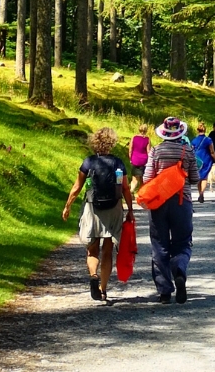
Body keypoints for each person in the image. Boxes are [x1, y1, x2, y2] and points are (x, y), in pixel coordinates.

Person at [62, 127, 134, 303]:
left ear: (95, 142)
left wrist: (67, 206)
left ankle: (93, 275)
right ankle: (103, 289)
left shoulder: (88, 162)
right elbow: (125, 188)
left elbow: (77, 187)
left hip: (93, 208)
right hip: (113, 209)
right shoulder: (118, 163)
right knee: (107, 251)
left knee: (92, 250)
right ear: (112, 143)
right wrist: (130, 210)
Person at [143, 117, 199, 304]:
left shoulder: (156, 151)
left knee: (159, 245)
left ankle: (164, 291)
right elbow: (195, 178)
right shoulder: (188, 150)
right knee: (182, 242)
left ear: (164, 133)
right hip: (182, 202)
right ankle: (180, 271)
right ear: (180, 132)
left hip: (159, 202)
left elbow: (147, 178)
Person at [190, 123, 215, 203]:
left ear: (197, 130)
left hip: (197, 160)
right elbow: (212, 152)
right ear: (205, 130)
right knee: (204, 177)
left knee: (199, 177)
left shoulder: (194, 140)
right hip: (206, 159)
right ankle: (202, 193)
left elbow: (191, 151)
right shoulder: (208, 140)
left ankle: (199, 193)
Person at [129, 124, 151, 193]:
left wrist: (131, 158)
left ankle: (131, 190)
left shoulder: (134, 137)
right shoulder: (147, 139)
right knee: (142, 179)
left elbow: (130, 149)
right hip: (143, 161)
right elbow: (148, 151)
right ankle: (142, 193)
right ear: (146, 130)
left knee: (134, 178)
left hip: (135, 159)